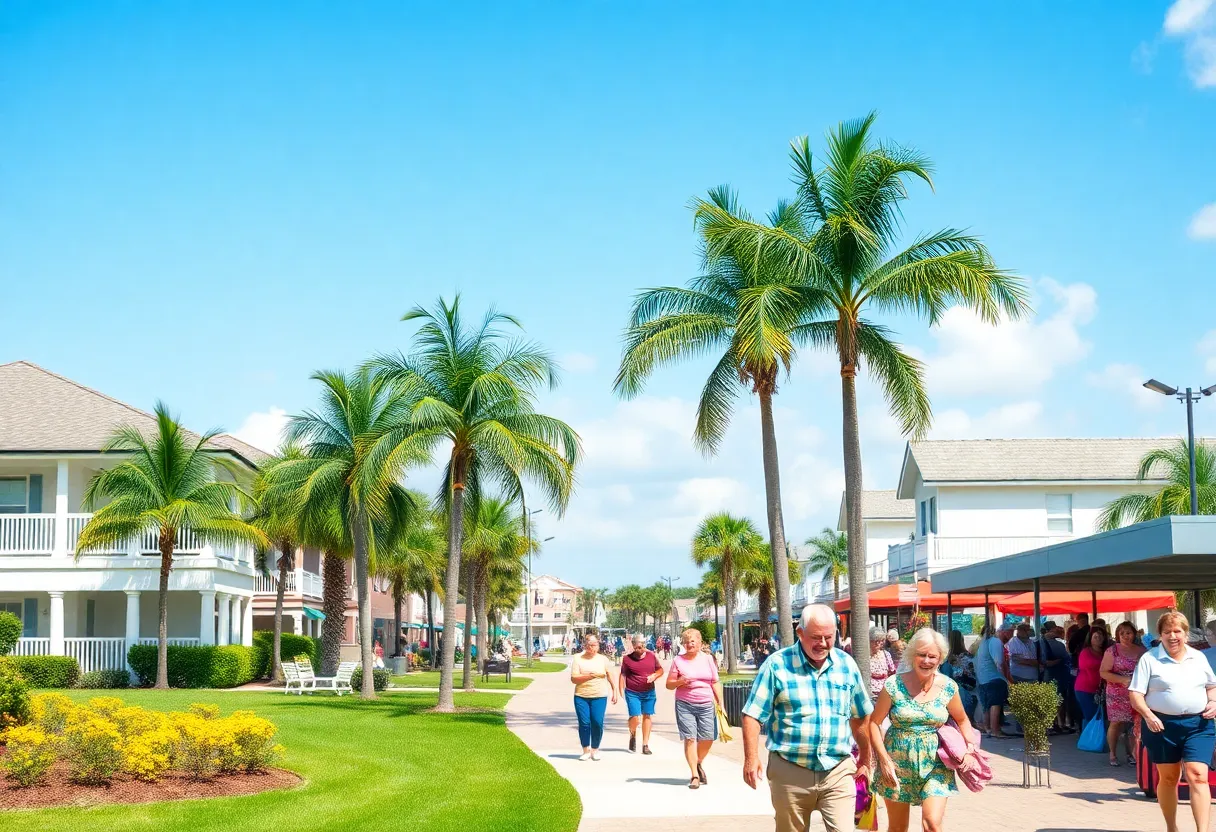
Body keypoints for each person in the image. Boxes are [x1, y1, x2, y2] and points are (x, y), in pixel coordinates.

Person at [741, 604, 872, 832]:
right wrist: (751, 759)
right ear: (800, 633)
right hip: (790, 769)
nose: (822, 643)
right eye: (815, 637)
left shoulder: (847, 665)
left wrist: (866, 759)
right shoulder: (777, 665)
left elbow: (860, 716)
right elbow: (752, 715)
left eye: (828, 637)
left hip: (837, 769)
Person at [872, 628, 977, 832]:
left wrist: (970, 747)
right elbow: (874, 723)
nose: (926, 660)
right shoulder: (893, 685)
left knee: (932, 824)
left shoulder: (948, 687)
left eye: (932, 656)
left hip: (936, 763)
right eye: (922, 654)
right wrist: (884, 761)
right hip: (896, 763)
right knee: (897, 828)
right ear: (912, 655)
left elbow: (963, 720)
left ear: (940, 659)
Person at [1130, 611, 1216, 832]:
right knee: (1169, 779)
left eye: (1177, 631)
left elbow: (1211, 685)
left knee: (1198, 775)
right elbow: (1136, 694)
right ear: (1160, 635)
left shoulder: (1198, 657)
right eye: (1167, 631)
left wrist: (1214, 701)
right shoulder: (1149, 659)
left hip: (1199, 725)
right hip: (1162, 726)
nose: (1173, 636)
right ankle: (1171, 827)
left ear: (1186, 635)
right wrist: (1149, 716)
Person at [668, 627, 721, 789]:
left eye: (693, 641)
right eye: (687, 641)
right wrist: (680, 681)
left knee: (708, 738)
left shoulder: (707, 659)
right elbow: (669, 685)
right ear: (683, 644)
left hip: (706, 703)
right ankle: (694, 775)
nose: (690, 644)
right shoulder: (678, 661)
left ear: (699, 643)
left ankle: (698, 762)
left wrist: (721, 704)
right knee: (690, 738)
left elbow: (715, 682)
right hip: (685, 703)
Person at [1101, 621, 1147, 766]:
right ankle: (1113, 754)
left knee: (1135, 723)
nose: (1126, 636)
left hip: (1136, 691)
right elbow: (1103, 672)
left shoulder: (1141, 650)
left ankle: (1132, 754)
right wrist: (1122, 679)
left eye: (1128, 633)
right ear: (1117, 635)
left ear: (1134, 634)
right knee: (1116, 723)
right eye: (1122, 633)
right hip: (1116, 692)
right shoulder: (1112, 651)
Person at [570, 633, 618, 761]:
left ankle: (595, 749)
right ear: (585, 645)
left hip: (599, 695)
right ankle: (586, 749)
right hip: (581, 696)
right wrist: (590, 676)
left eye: (595, 645)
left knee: (597, 722)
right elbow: (574, 678)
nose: (593, 648)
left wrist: (615, 690)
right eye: (590, 645)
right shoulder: (578, 658)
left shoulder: (603, 659)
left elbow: (609, 675)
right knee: (584, 723)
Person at [620, 633, 664, 755]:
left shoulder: (651, 656)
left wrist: (655, 675)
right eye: (638, 647)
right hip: (632, 692)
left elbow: (660, 670)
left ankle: (645, 744)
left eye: (642, 646)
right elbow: (623, 674)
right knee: (635, 717)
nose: (640, 649)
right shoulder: (627, 659)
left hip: (649, 692)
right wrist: (619, 689)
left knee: (647, 716)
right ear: (633, 646)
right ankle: (633, 733)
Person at [975, 624, 1013, 738]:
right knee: (996, 704)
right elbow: (1000, 662)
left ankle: (989, 729)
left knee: (988, 705)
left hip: (983, 679)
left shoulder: (983, 643)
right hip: (994, 678)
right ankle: (996, 730)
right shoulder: (995, 642)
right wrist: (1005, 679)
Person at [1074, 626, 1109, 728]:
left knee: (1099, 716)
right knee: (1091, 716)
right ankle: (1088, 741)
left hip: (1100, 691)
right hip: (1084, 690)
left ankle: (1096, 740)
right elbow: (1087, 666)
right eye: (1095, 637)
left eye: (1100, 636)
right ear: (1090, 638)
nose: (1098, 639)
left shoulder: (1106, 652)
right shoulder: (1085, 652)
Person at [941, 629, 978, 723]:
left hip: (955, 691)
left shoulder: (947, 659)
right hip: (970, 688)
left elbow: (946, 677)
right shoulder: (968, 656)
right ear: (962, 639)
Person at [868, 626, 898, 702]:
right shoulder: (864, 656)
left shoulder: (886, 654)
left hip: (884, 694)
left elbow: (892, 672)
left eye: (881, 640)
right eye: (876, 640)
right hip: (869, 695)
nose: (879, 643)